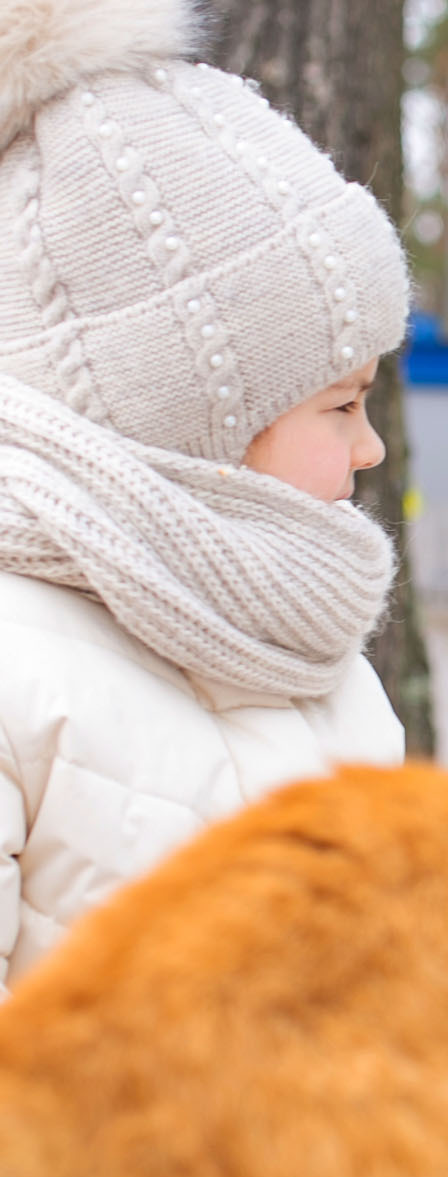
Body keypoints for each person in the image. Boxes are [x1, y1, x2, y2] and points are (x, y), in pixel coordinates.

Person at [0, 0, 411, 986]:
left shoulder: (323, 666)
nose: (370, 448)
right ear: (193, 416)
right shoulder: (21, 673)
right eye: (341, 405)